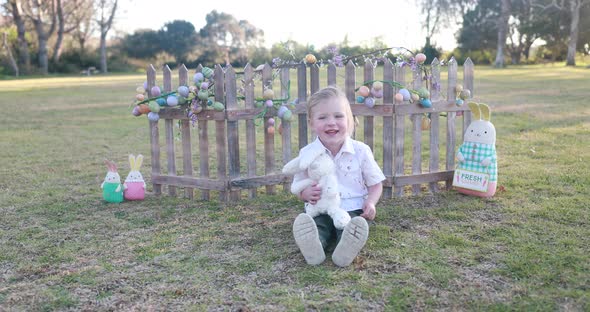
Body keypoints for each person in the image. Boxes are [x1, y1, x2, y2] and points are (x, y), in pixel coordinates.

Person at [291, 86, 385, 267]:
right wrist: (305, 193)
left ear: (350, 120)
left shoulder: (360, 151)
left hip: (353, 208)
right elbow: (298, 185)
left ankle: (345, 249)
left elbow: (375, 183)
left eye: (338, 116)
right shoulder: (308, 153)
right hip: (321, 208)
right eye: (322, 117)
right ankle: (314, 246)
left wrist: (371, 202)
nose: (331, 122)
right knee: (319, 226)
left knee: (350, 227)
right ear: (311, 123)